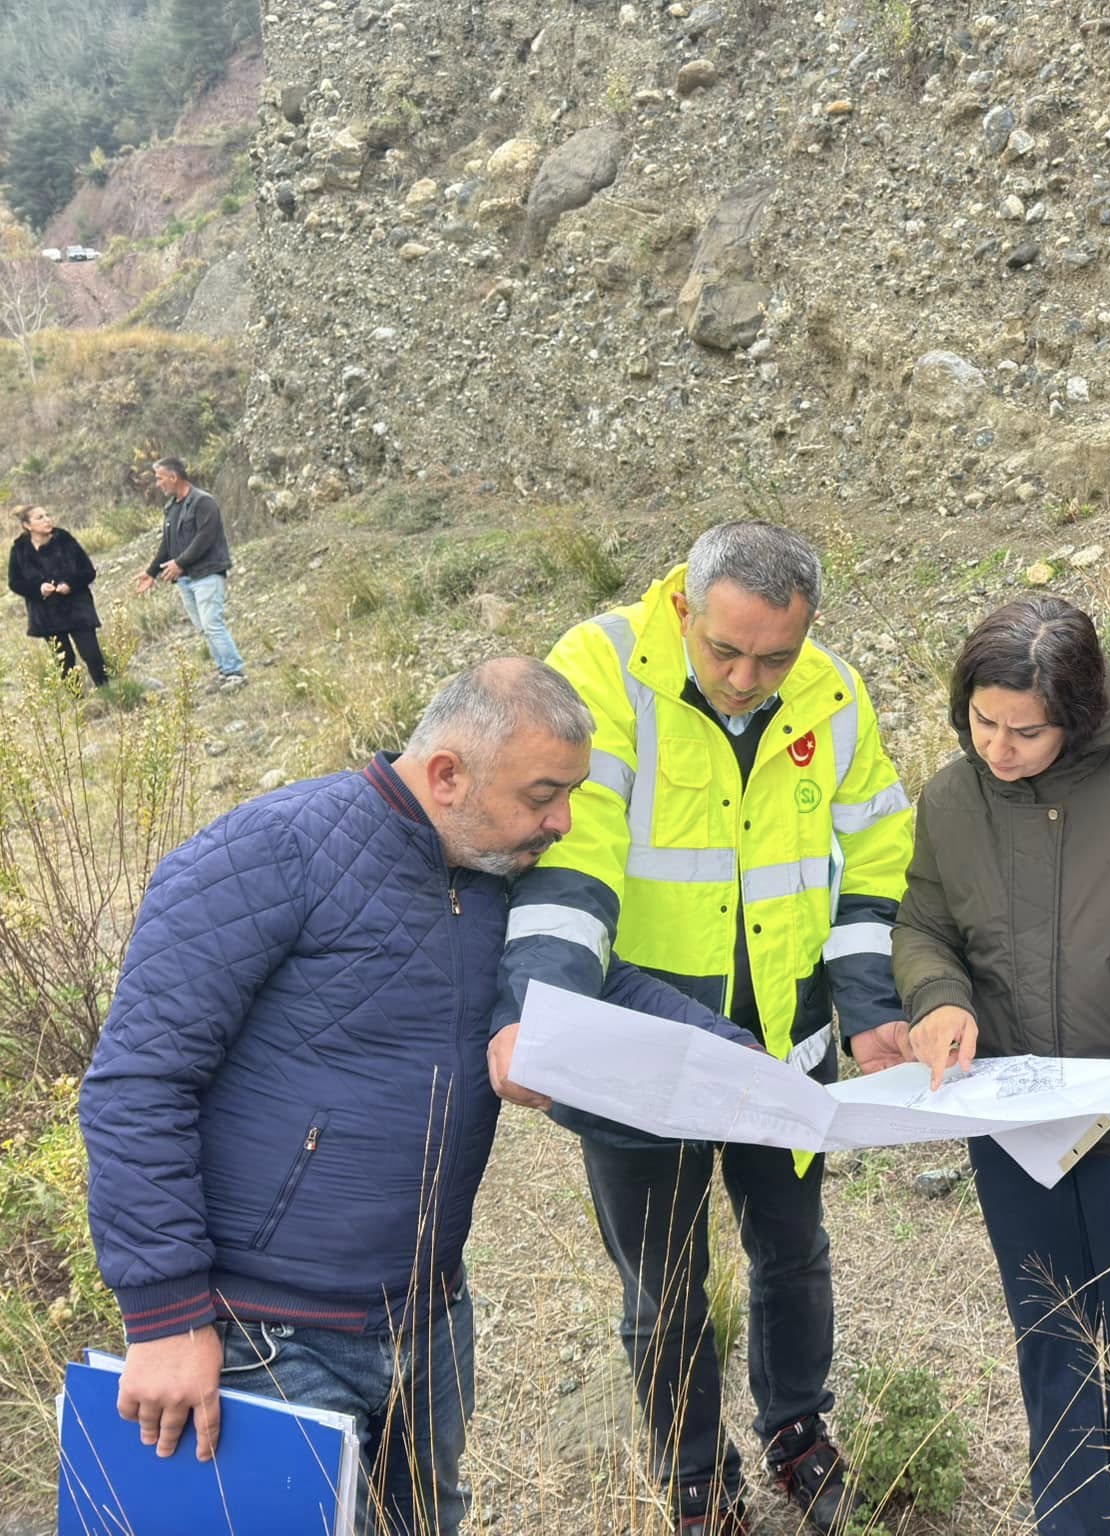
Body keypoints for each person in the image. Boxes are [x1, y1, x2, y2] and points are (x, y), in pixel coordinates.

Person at [80, 657, 755, 1536]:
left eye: (573, 793)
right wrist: (165, 1315)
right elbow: (138, 1083)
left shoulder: (498, 876)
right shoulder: (268, 850)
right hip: (263, 1339)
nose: (565, 821)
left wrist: (748, 1065)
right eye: (544, 794)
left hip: (428, 1324)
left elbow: (602, 988)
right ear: (447, 775)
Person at [491, 521, 915, 1535]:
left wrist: (867, 1009)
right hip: (641, 1056)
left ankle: (796, 1434)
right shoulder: (599, 669)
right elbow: (570, 857)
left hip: (784, 1052)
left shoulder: (832, 691)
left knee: (792, 1256)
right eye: (724, 650)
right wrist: (537, 1011)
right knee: (664, 1288)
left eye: (773, 657)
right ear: (684, 605)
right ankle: (694, 1475)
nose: (743, 678)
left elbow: (875, 858)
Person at [892, 596, 1110, 1536]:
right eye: (981, 720)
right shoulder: (949, 800)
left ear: (1079, 714)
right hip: (1015, 1129)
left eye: (1026, 730)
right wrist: (938, 1001)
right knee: (1052, 1340)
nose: (998, 748)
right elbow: (925, 926)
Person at [131, 456, 245, 689]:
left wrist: (180, 563)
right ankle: (225, 672)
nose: (157, 484)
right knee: (204, 627)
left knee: (211, 622)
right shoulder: (171, 508)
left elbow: (205, 537)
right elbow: (167, 543)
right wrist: (151, 572)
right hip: (186, 580)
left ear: (174, 477)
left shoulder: (204, 502)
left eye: (159, 478)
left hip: (207, 574)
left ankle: (235, 673)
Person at [8, 502, 107, 686]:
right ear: (27, 526)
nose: (47, 520)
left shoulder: (65, 540)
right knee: (65, 661)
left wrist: (70, 584)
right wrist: (38, 589)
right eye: (40, 517)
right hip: (46, 615)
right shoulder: (20, 550)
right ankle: (77, 704)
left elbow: (88, 571)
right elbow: (15, 583)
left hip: (77, 609)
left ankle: (109, 693)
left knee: (92, 654)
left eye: (47, 515)